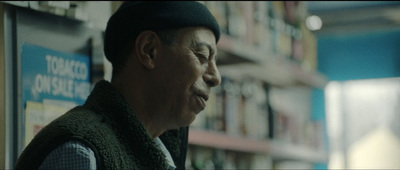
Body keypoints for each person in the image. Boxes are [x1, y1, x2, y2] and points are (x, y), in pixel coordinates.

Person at [14, 1, 221, 170]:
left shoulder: (161, 154)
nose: (215, 77)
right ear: (149, 50)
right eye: (202, 56)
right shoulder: (81, 151)